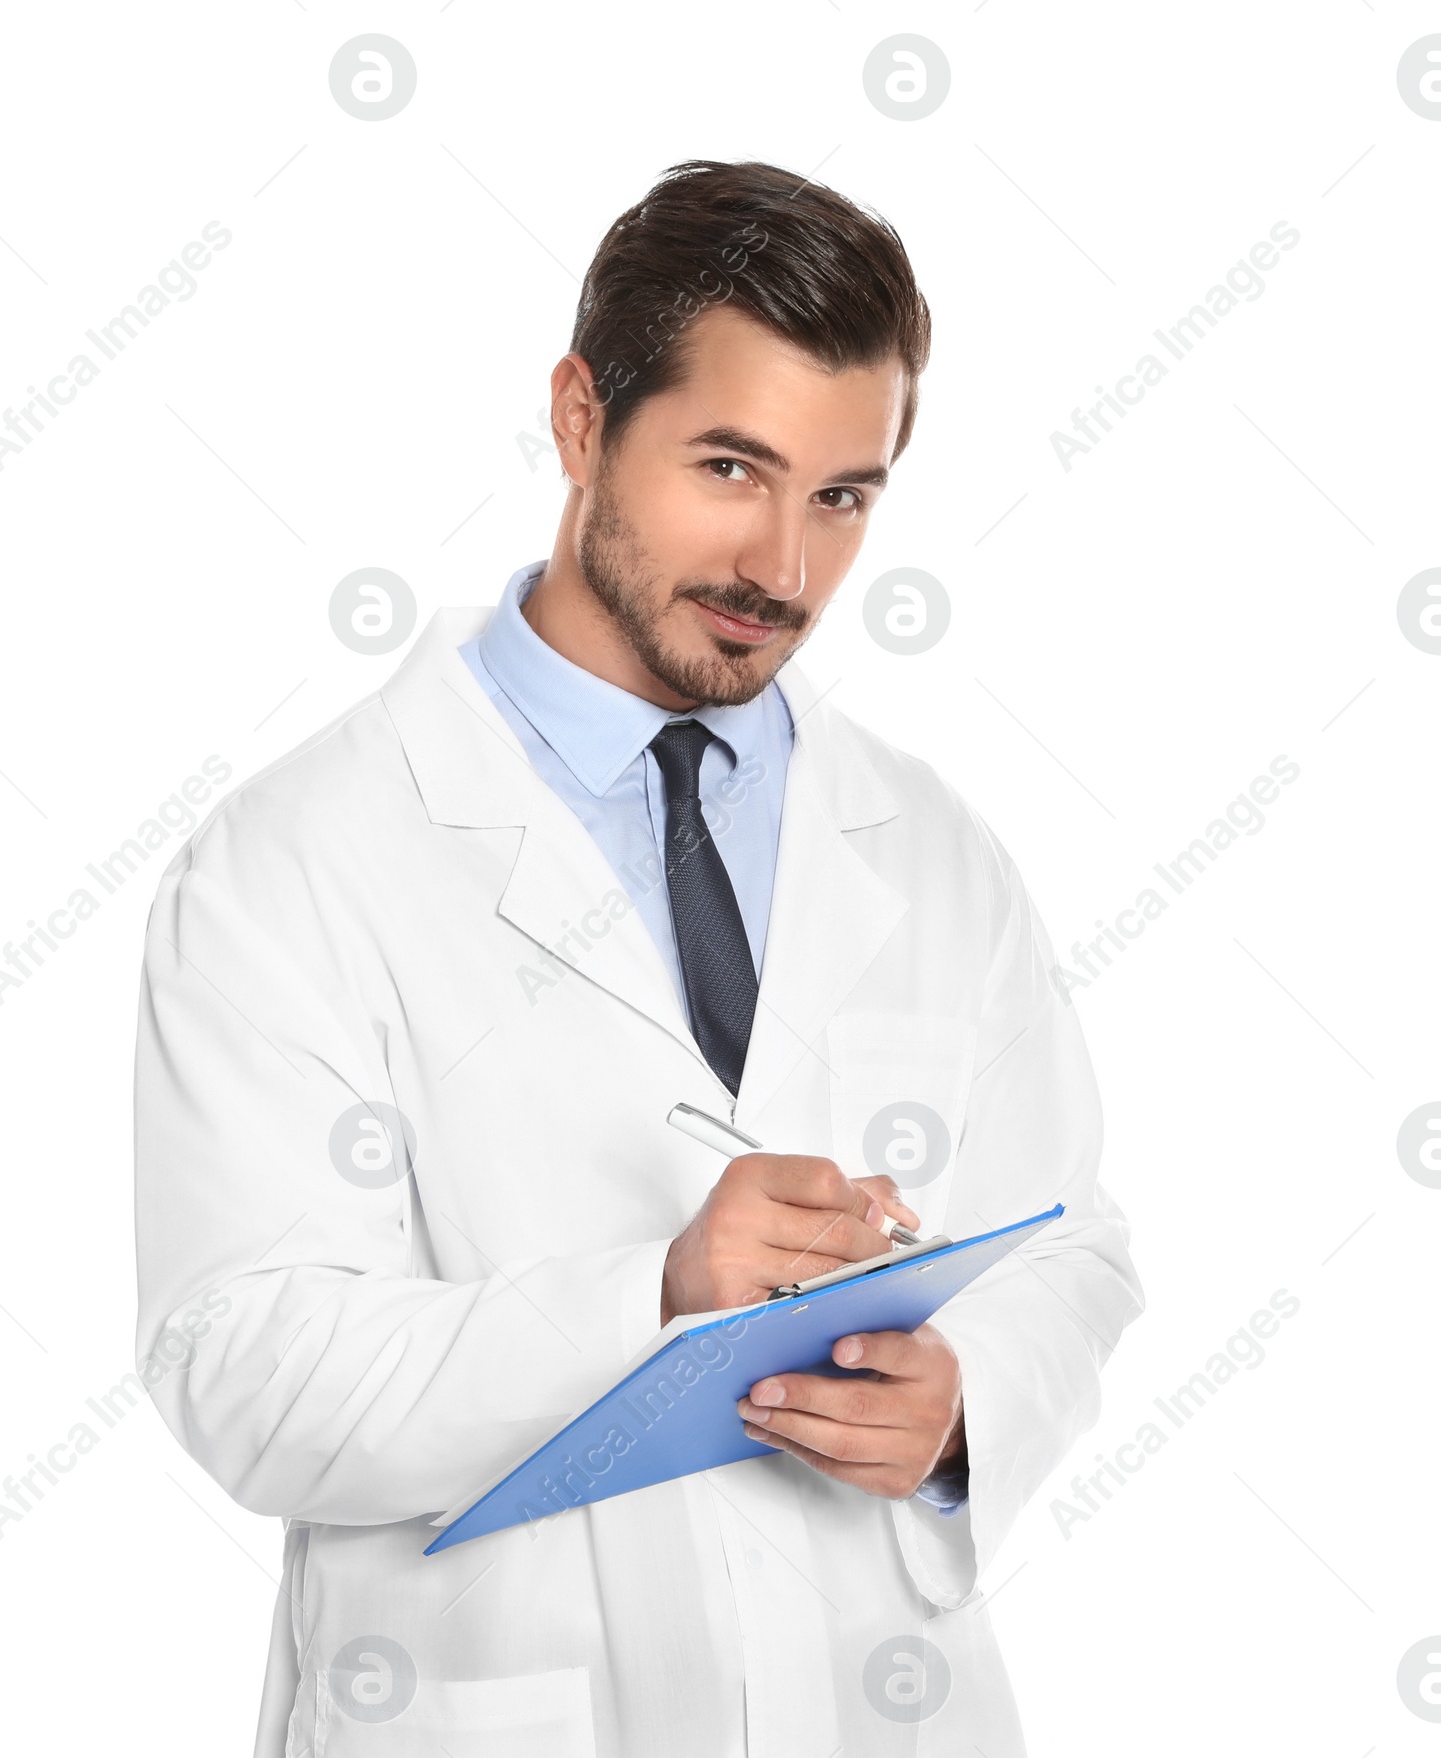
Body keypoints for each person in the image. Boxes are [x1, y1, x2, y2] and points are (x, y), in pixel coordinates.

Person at [133, 158, 1143, 1758]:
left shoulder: (930, 847)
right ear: (582, 418)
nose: (784, 570)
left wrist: (962, 1404)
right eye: (731, 466)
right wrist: (657, 1297)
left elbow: (1073, 1248)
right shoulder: (298, 857)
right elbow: (241, 1365)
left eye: (842, 494)